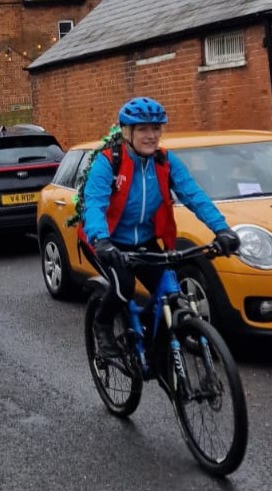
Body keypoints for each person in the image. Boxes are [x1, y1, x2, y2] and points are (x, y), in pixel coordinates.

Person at [80, 97, 241, 357]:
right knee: (123, 286)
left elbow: (193, 195)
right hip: (107, 241)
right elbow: (94, 205)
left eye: (156, 129)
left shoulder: (165, 162)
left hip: (144, 240)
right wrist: (101, 240)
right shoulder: (109, 162)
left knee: (171, 294)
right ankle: (103, 324)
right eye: (143, 129)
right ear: (127, 132)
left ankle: (153, 348)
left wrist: (222, 229)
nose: (151, 135)